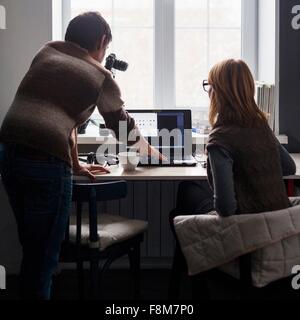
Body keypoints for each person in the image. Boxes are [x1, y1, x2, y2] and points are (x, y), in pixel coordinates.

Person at [0, 11, 161, 300]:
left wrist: (74, 163)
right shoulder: (100, 75)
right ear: (101, 41)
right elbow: (121, 125)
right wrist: (152, 153)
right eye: (106, 48)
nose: (104, 55)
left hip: (8, 151)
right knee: (45, 259)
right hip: (44, 162)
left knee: (33, 251)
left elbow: (62, 116)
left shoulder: (47, 51)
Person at [170, 59, 296, 235]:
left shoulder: (221, 138)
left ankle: (197, 259)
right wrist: (250, 174)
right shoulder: (260, 124)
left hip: (245, 227)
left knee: (186, 192)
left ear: (219, 92)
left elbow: (226, 208)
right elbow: (289, 166)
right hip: (276, 224)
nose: (208, 92)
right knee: (186, 196)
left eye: (209, 85)